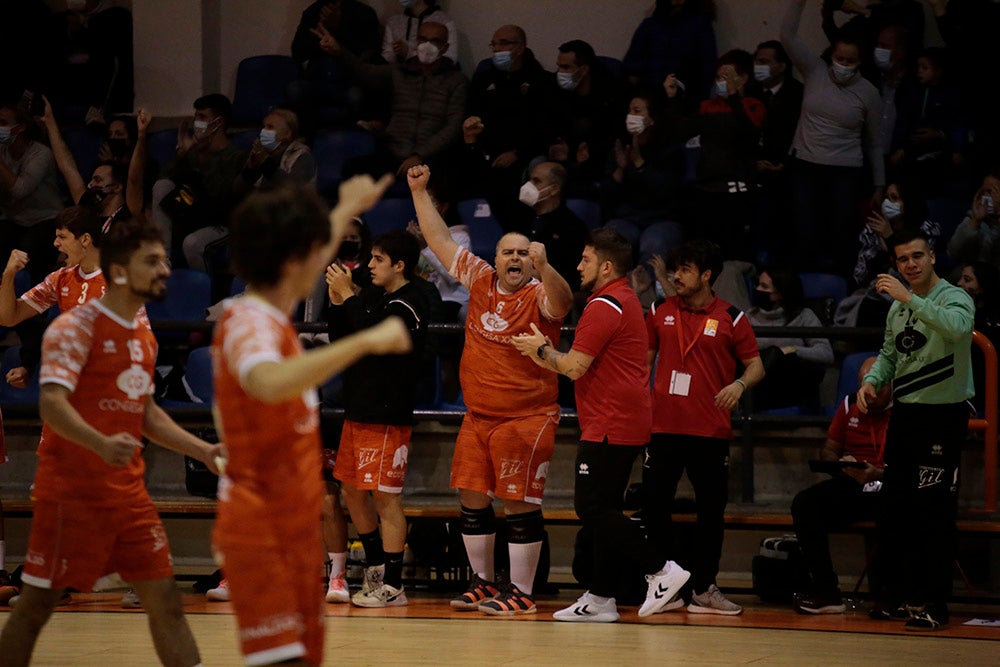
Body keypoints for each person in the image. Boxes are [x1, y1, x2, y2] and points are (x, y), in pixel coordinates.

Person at [0, 217, 221, 667]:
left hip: (127, 490)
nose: (164, 271)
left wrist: (204, 451)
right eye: (152, 262)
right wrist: (99, 442)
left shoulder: (142, 332)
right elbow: (52, 405)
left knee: (166, 602)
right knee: (36, 606)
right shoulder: (73, 326)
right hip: (70, 488)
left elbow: (145, 410)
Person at [211, 174, 412, 666]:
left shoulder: (271, 312)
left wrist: (344, 209)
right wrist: (364, 342)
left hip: (290, 527)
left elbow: (307, 259)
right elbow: (267, 381)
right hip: (261, 527)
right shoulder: (248, 322)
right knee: (281, 661)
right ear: (290, 263)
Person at [408, 163, 573, 617]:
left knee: (519, 502)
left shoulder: (539, 292)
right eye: (508, 253)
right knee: (472, 497)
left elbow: (563, 303)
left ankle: (521, 592)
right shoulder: (479, 279)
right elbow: (440, 243)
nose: (515, 259)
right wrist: (420, 191)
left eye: (523, 253)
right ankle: (483, 583)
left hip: (527, 416)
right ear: (495, 257)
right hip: (477, 415)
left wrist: (547, 267)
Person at [510, 227, 692, 623]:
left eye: (585, 259)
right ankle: (601, 597)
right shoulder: (622, 299)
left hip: (611, 420)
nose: (578, 266)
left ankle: (662, 570)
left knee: (591, 507)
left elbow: (574, 367)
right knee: (605, 509)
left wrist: (539, 349)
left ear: (606, 266)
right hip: (623, 418)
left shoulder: (605, 304)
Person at [858, 228, 974, 630]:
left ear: (933, 257)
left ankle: (934, 603)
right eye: (903, 259)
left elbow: (958, 329)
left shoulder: (954, 296)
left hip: (942, 417)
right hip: (906, 416)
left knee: (934, 513)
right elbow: (891, 355)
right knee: (895, 510)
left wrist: (910, 298)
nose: (910, 264)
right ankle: (896, 596)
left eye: (917, 256)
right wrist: (873, 380)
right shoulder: (896, 309)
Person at [643, 239, 764, 615]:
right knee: (653, 509)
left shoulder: (732, 317)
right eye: (674, 269)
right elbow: (643, 363)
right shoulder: (659, 309)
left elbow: (756, 365)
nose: (676, 276)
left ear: (707, 275)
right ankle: (662, 585)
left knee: (711, 514)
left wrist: (739, 384)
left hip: (709, 431)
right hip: (662, 429)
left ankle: (704, 588)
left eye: (685, 270)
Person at [324, 229, 428, 607]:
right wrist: (337, 302)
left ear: (399, 265)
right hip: (358, 409)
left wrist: (350, 297)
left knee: (386, 500)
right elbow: (344, 338)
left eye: (378, 260)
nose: (369, 266)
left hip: (388, 414)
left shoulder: (412, 302)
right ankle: (374, 572)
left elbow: (375, 337)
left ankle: (394, 585)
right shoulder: (372, 296)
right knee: (351, 490)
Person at [781, 0, 884, 276]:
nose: (843, 65)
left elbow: (875, 142)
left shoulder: (868, 92)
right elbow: (788, 36)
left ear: (860, 61)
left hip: (845, 172)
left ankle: (841, 296)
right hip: (805, 165)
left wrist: (879, 183)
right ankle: (803, 295)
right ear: (832, 55)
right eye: (840, 59)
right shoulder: (815, 72)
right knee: (804, 231)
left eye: (850, 61)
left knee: (841, 235)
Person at [792, 356, 890, 614]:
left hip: (889, 485)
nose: (869, 395)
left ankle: (890, 595)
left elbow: (912, 468)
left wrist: (877, 473)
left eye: (876, 387)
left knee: (898, 511)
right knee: (805, 504)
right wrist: (840, 464)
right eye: (864, 387)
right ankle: (826, 591)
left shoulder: (905, 411)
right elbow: (829, 450)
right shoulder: (848, 405)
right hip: (854, 483)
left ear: (891, 385)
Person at [322, 20, 467, 180]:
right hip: (394, 151)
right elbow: (365, 72)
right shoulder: (400, 71)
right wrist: (339, 51)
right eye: (422, 39)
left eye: (434, 41)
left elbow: (453, 127)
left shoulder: (456, 80)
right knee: (353, 170)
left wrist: (420, 155)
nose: (427, 45)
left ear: (445, 48)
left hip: (431, 158)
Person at [662, 49, 766, 261]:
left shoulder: (754, 106)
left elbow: (749, 136)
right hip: (706, 191)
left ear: (743, 78)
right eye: (719, 77)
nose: (720, 82)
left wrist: (735, 97)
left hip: (738, 195)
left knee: (733, 256)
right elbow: (681, 132)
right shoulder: (708, 106)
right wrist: (672, 99)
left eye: (726, 77)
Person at [459, 24, 555, 212]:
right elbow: (470, 114)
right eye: (493, 44)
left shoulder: (541, 81)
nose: (496, 49)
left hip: (521, 153)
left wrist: (517, 152)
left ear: (520, 48)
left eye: (503, 44)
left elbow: (543, 127)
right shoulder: (483, 79)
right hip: (485, 148)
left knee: (509, 181)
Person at [152, 93, 246, 270]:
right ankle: (162, 259)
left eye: (202, 117)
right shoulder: (192, 152)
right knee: (162, 186)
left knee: (192, 243)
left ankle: (206, 292)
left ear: (218, 123)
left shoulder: (236, 156)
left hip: (220, 222)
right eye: (196, 117)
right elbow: (163, 179)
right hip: (192, 215)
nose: (197, 123)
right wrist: (181, 155)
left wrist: (200, 157)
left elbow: (217, 194)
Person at [747, 267, 834, 412]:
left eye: (764, 286)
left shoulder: (804, 316)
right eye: (758, 284)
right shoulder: (749, 316)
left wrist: (792, 350)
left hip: (790, 383)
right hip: (758, 384)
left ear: (779, 293)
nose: (757, 289)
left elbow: (826, 353)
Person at [0, 103, 65, 286]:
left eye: (3, 123)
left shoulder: (40, 154)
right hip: (14, 218)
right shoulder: (4, 151)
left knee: (30, 248)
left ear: (20, 127)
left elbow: (20, 190)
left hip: (45, 218)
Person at [750, 40, 803, 263]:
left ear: (781, 66)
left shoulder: (798, 94)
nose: (757, 66)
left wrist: (784, 162)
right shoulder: (750, 92)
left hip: (787, 172)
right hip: (753, 170)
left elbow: (801, 132)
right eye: (756, 61)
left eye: (764, 61)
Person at [548, 39, 622, 198]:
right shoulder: (554, 90)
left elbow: (614, 133)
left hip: (598, 154)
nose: (559, 72)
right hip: (566, 154)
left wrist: (591, 150)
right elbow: (548, 124)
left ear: (584, 69)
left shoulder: (610, 94)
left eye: (566, 67)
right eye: (559, 66)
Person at [512, 161, 590, 294]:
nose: (528, 186)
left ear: (554, 189)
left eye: (536, 181)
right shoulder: (520, 217)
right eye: (530, 180)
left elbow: (571, 276)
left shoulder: (572, 227)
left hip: (550, 295)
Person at [622, 0, 718, 101]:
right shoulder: (651, 24)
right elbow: (630, 66)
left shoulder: (700, 25)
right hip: (646, 94)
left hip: (680, 99)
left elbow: (706, 71)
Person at [235, 109, 316, 193]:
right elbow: (237, 190)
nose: (263, 131)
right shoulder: (259, 153)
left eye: (270, 127)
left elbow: (292, 189)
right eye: (263, 127)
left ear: (288, 133)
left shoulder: (302, 156)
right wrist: (250, 170)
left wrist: (265, 163)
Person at [957, 262, 1000, 415]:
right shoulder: (958, 313)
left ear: (983, 285)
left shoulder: (994, 318)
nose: (959, 284)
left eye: (967, 280)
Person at [946, 167, 1000, 271]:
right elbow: (953, 252)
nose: (986, 196)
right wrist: (975, 222)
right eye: (984, 191)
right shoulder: (975, 217)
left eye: (993, 192)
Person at [381, 0, 457, 65]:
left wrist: (408, 53)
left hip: (433, 78)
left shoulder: (444, 21)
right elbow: (388, 56)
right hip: (401, 77)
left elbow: (449, 59)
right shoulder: (394, 21)